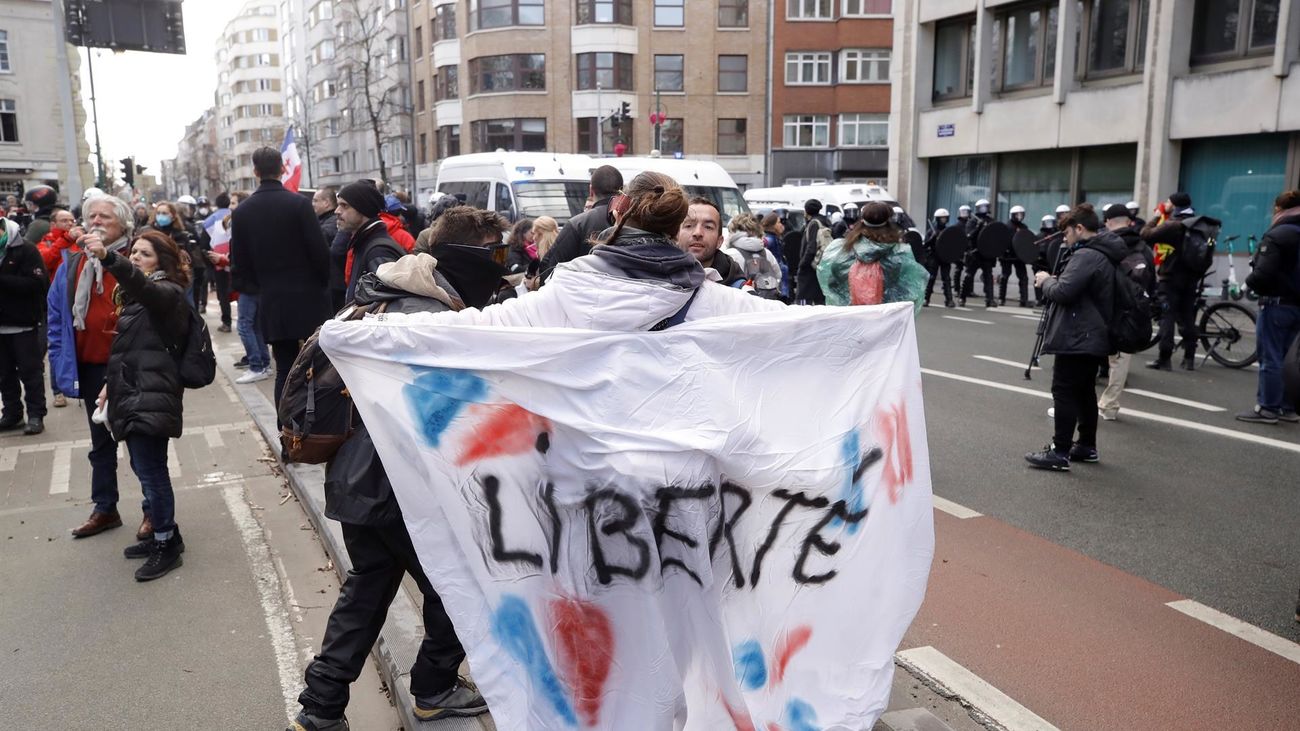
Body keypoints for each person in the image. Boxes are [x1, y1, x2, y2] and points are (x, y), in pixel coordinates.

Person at [289, 252, 490, 731]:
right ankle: (434, 687)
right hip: (397, 486)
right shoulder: (427, 318)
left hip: (352, 476)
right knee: (455, 584)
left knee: (367, 589)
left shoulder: (370, 302)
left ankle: (320, 706)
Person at [83, 229, 191, 580]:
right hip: (133, 391)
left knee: (152, 472)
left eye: (145, 254)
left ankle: (165, 543)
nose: (136, 258)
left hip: (152, 394)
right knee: (144, 468)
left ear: (162, 261)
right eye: (134, 253)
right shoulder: (139, 297)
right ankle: (167, 533)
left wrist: (109, 258)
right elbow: (128, 349)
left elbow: (144, 287)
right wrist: (109, 386)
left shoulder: (166, 292)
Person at [48, 196, 134, 537]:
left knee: (141, 444)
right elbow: (56, 316)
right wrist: (60, 363)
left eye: (105, 216)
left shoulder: (135, 258)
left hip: (130, 367)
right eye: (91, 215)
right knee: (100, 444)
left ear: (123, 224)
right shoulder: (73, 263)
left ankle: (153, 513)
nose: (96, 221)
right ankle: (105, 508)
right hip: (90, 366)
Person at [1025, 204, 1126, 471]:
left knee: (1064, 390)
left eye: (1067, 233)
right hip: (1093, 334)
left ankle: (1059, 452)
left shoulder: (1086, 255)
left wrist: (1046, 280)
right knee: (1083, 391)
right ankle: (1086, 446)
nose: (1065, 238)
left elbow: (1063, 292)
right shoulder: (1103, 252)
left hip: (1078, 335)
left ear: (1079, 229)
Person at [229, 147, 332, 403]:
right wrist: (321, 285)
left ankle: (284, 422)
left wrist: (260, 289)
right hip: (309, 297)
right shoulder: (299, 204)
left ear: (255, 172)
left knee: (284, 369)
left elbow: (239, 263)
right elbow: (320, 252)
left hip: (273, 300)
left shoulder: (242, 212)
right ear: (282, 169)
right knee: (320, 366)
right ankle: (318, 420)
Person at [1237, 189, 1300, 424]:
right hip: (1297, 305)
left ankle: (1267, 408)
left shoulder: (1277, 234)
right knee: (1291, 359)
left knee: (1270, 357)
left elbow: (1264, 272)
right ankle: (1288, 408)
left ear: (1278, 209)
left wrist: (1247, 284)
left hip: (1276, 303)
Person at [1097, 204, 1156, 421]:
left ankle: (1080, 402)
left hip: (1104, 308)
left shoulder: (1104, 244)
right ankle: (1109, 406)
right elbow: (1151, 281)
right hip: (1130, 311)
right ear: (1129, 221)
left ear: (1108, 222)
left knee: (1090, 352)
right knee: (1119, 360)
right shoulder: (1142, 246)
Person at [816, 200, 928, 313]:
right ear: (889, 222)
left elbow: (831, 283)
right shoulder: (899, 252)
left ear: (861, 221)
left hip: (851, 316)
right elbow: (910, 291)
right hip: (886, 317)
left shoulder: (841, 250)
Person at [0, 216, 50, 435]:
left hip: (24, 324)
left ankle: (36, 415)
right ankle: (12, 413)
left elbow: (38, 284)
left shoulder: (25, 249)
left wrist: (3, 279)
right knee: (4, 374)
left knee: (31, 372)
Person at [1141, 192, 1200, 371]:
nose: (1165, 204)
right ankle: (1189, 358)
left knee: (1168, 315)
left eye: (1168, 202)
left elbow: (1145, 234)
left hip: (1171, 276)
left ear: (1173, 205)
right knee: (1187, 315)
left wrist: (1157, 216)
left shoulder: (1173, 224)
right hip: (1192, 276)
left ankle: (1164, 358)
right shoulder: (1198, 222)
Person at [538, 164, 623, 281]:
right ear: (621, 192)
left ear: (591, 190)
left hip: (582, 290)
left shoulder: (578, 224)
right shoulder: (635, 221)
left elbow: (549, 269)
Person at [337, 182, 407, 302]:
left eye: (344, 206)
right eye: (338, 205)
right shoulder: (364, 242)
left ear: (362, 208)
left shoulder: (379, 251)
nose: (337, 211)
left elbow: (388, 302)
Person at [676, 196, 745, 287]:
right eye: (689, 225)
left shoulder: (739, 290)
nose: (698, 233)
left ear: (719, 241)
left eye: (708, 227)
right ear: (676, 235)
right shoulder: (659, 279)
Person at [200, 193, 236, 334]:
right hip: (237, 260)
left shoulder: (209, 221)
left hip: (219, 263)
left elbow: (204, 245)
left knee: (223, 293)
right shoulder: (237, 216)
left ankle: (226, 322)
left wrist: (210, 264)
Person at [313, 188, 344, 311]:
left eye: (316, 200)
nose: (313, 204)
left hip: (334, 285)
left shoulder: (329, 226)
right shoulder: (325, 222)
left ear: (326, 203)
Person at [961, 199, 997, 308]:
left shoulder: (991, 221)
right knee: (968, 276)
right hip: (975, 253)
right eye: (982, 207)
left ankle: (990, 299)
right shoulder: (972, 221)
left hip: (986, 253)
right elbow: (969, 236)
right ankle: (962, 297)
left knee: (988, 276)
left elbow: (995, 236)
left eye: (985, 206)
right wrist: (978, 227)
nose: (984, 208)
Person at [795, 198, 831, 303]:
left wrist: (802, 264)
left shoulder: (813, 224)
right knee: (819, 300)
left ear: (807, 211)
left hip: (810, 267)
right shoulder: (825, 222)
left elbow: (811, 248)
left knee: (804, 299)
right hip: (821, 265)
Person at [999, 205, 1031, 307]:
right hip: (1007, 255)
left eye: (1021, 214)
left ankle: (1024, 300)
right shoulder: (1006, 226)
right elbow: (1001, 240)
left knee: (1023, 277)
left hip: (1019, 256)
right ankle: (1001, 298)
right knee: (1004, 276)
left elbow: (1026, 240)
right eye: (1017, 214)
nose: (1019, 216)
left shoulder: (1024, 227)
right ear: (1012, 215)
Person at [922, 208, 955, 308]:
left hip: (945, 257)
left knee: (947, 278)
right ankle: (926, 299)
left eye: (945, 218)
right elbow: (925, 245)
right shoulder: (931, 231)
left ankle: (949, 300)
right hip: (934, 256)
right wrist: (932, 237)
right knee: (931, 278)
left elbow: (953, 244)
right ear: (937, 219)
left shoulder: (948, 231)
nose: (943, 220)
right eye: (941, 218)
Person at [761, 212, 789, 297]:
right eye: (778, 222)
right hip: (776, 283)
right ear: (772, 225)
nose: (781, 225)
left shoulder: (774, 238)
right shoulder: (770, 240)